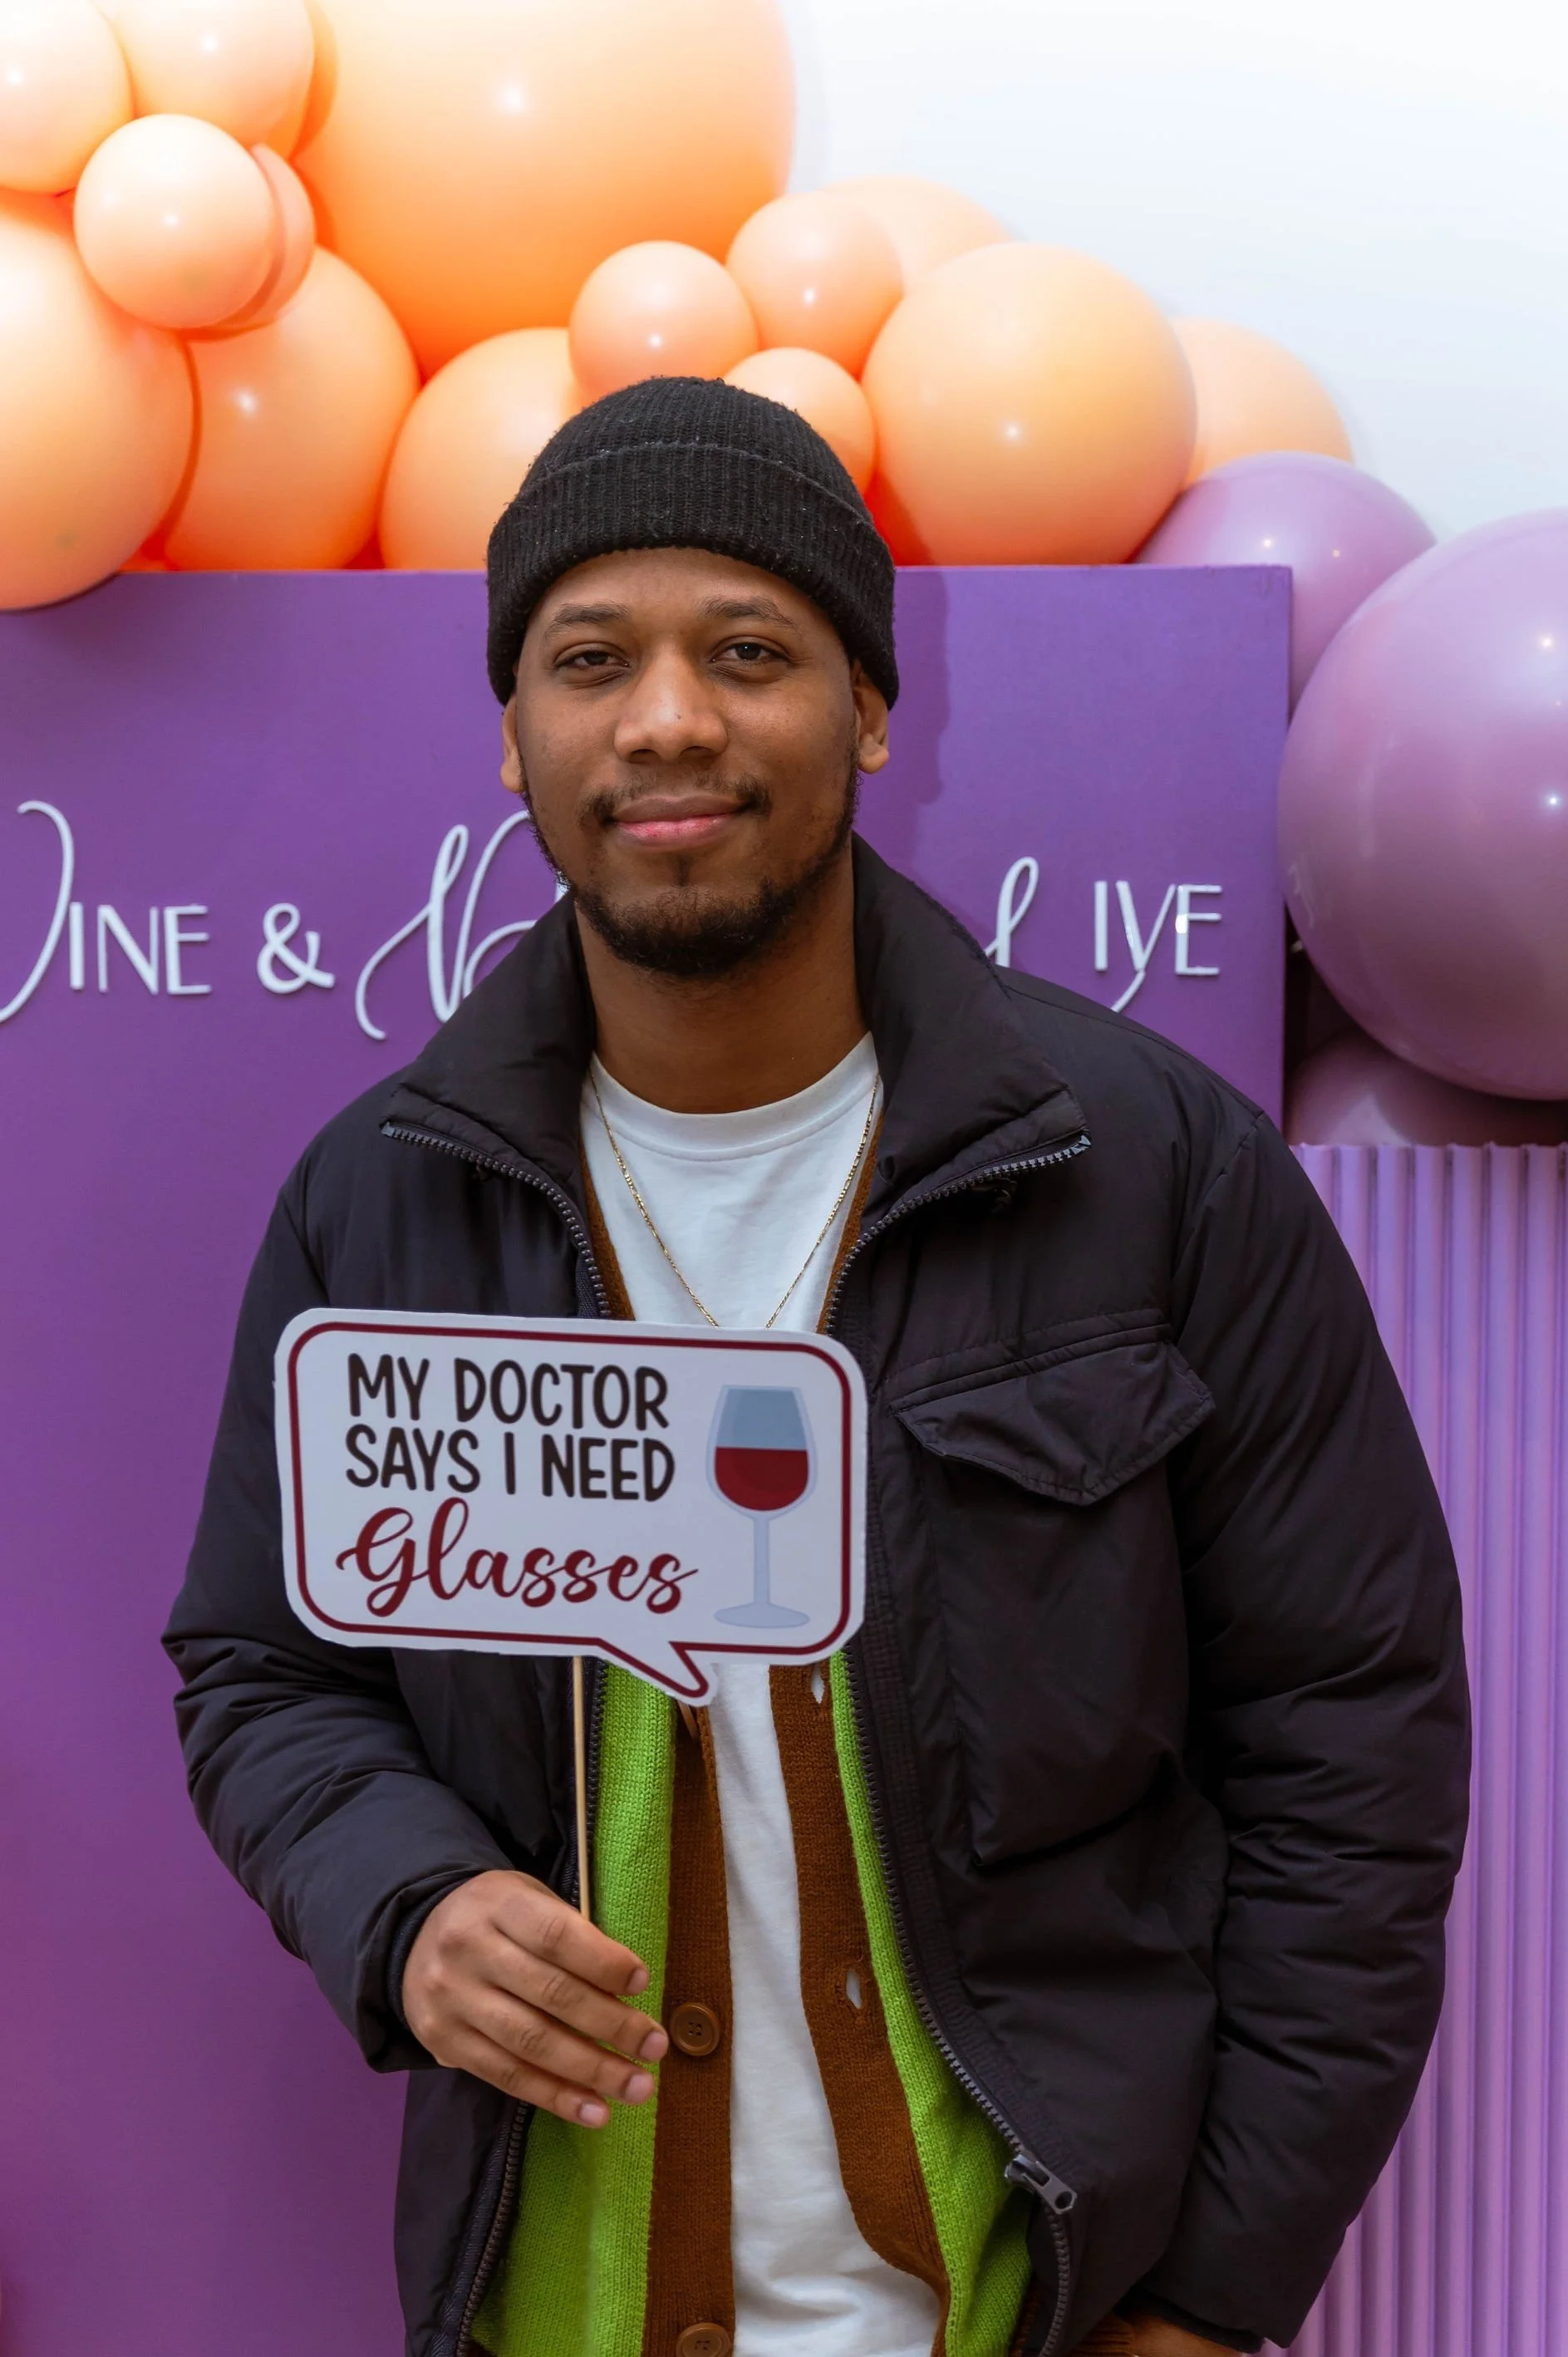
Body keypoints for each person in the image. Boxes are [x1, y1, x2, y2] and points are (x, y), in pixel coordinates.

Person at [165, 376, 1469, 2357]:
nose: (668, 716)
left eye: (748, 651)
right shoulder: (383, 1200)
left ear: (869, 707)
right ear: (513, 738)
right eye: (589, 659)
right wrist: (405, 1893)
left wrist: (1210, 2294)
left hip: (1028, 2290)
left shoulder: (1152, 1170)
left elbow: (1349, 1750)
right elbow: (262, 1668)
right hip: (560, 2295)